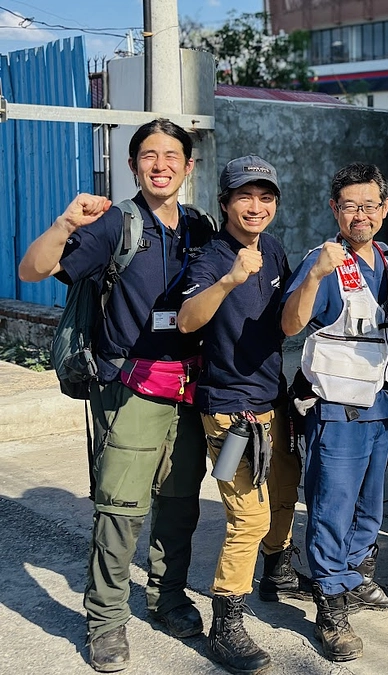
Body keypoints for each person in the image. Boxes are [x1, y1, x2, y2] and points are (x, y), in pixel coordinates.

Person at [18, 119, 215, 672]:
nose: (160, 164)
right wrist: (64, 222)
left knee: (179, 504)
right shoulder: (114, 226)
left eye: (171, 155)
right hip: (128, 389)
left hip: (186, 387)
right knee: (120, 510)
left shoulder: (199, 229)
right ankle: (105, 620)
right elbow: (33, 270)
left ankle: (168, 597)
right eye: (148, 155)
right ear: (133, 166)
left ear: (187, 166)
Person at [176, 156, 310, 673]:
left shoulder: (273, 249)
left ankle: (276, 571)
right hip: (230, 407)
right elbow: (188, 319)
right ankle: (226, 622)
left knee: (283, 491)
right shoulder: (212, 257)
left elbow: (288, 321)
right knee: (246, 515)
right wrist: (231, 279)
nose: (256, 207)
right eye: (245, 197)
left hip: (271, 397)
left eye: (266, 197)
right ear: (226, 202)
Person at [281, 163, 388, 663]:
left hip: (379, 407)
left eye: (370, 205)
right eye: (349, 205)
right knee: (331, 508)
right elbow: (291, 323)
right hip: (336, 408)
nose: (361, 214)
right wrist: (314, 275)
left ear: (385, 209)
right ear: (334, 210)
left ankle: (355, 578)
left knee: (368, 508)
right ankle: (329, 603)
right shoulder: (325, 261)